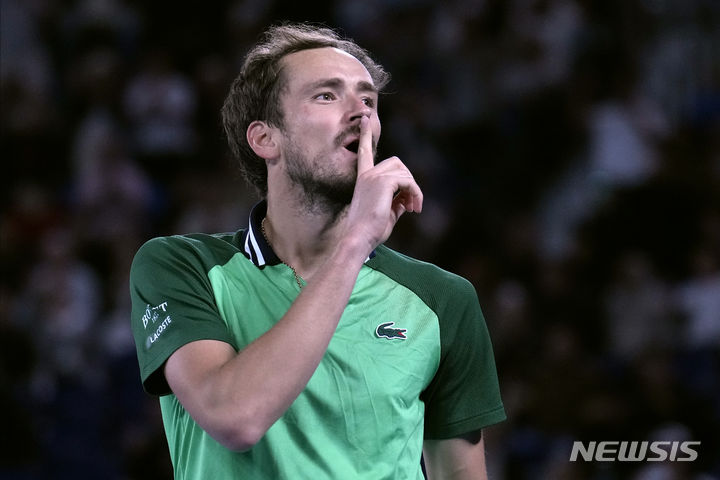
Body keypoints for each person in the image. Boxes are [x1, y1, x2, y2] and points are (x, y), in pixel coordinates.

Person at [130, 23, 505, 479]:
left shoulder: (442, 299)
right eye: (327, 96)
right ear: (265, 139)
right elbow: (234, 417)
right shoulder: (182, 267)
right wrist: (355, 244)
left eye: (368, 101)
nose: (361, 114)